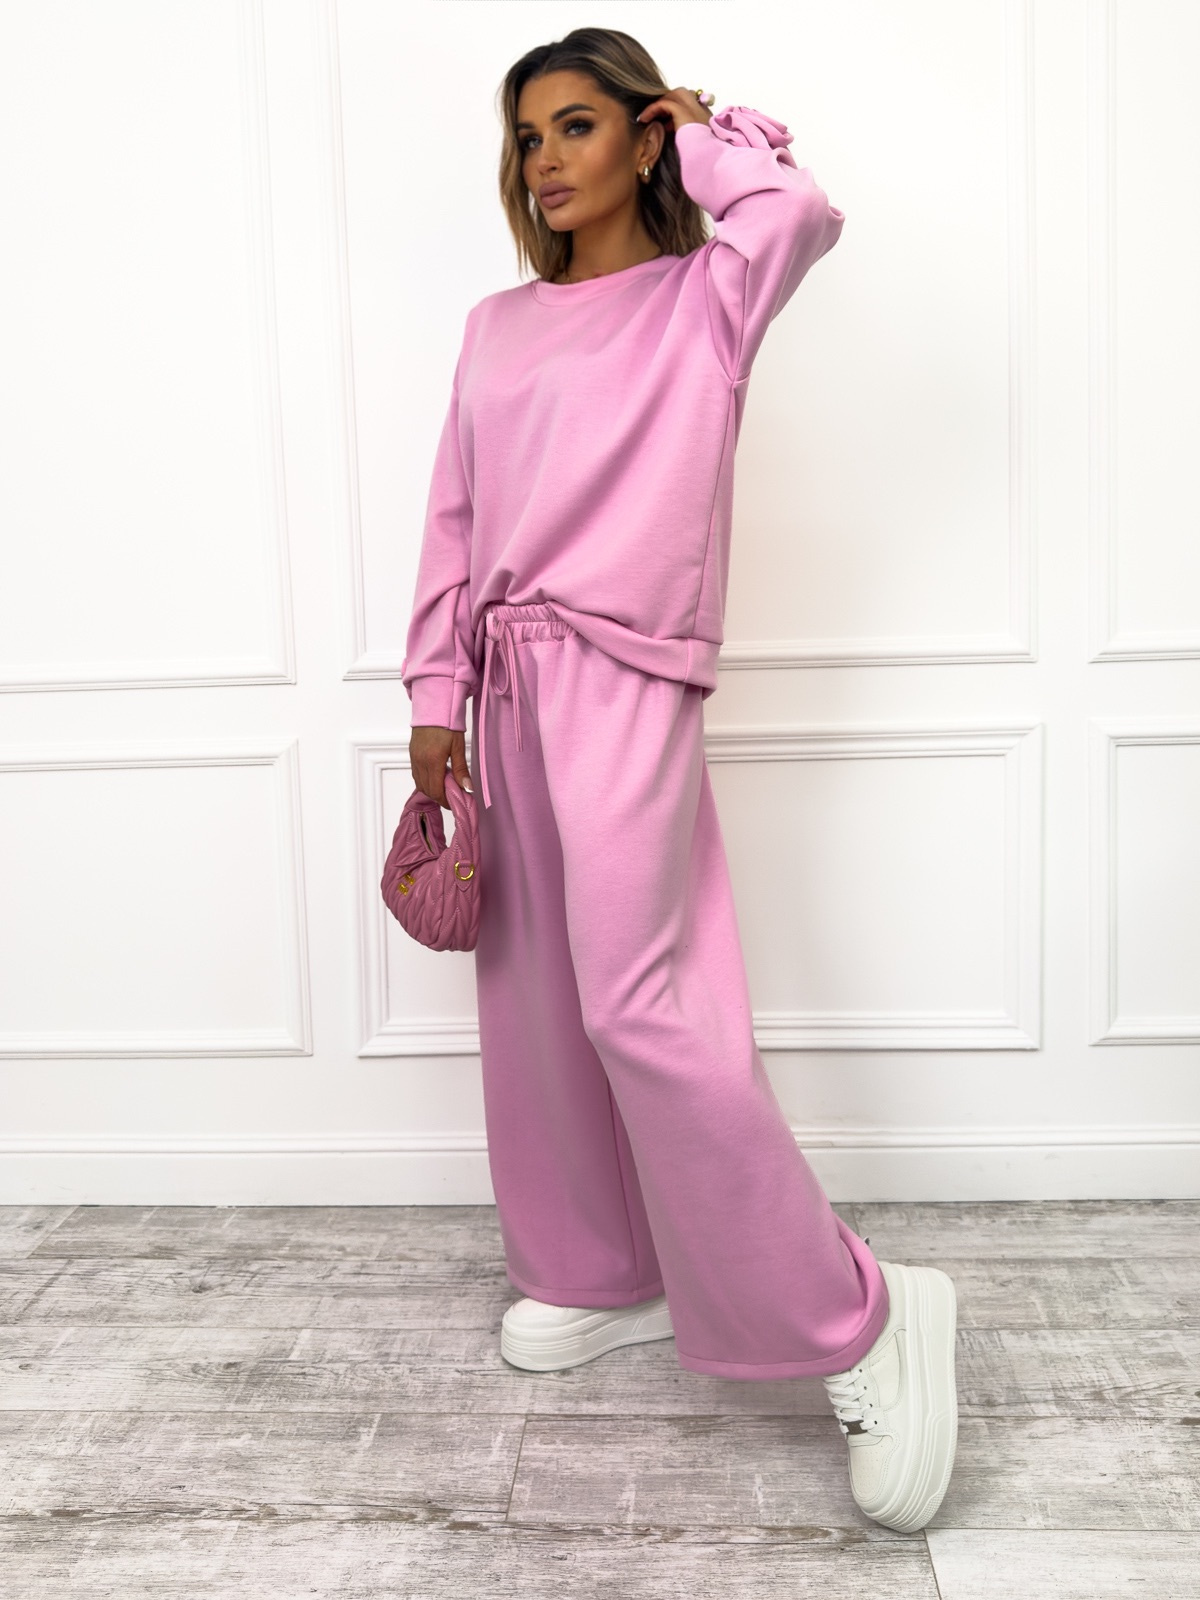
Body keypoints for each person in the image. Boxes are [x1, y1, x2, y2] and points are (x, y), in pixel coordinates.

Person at [401, 25, 959, 1533]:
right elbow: (454, 521)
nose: (546, 160)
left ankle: (860, 1314)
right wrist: (436, 692)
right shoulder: (494, 327)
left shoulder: (708, 297)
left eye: (579, 126)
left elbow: (801, 211)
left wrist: (701, 129)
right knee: (534, 1001)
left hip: (627, 671)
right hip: (503, 681)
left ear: (642, 136)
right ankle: (600, 1270)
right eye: (528, 137)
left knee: (639, 1002)